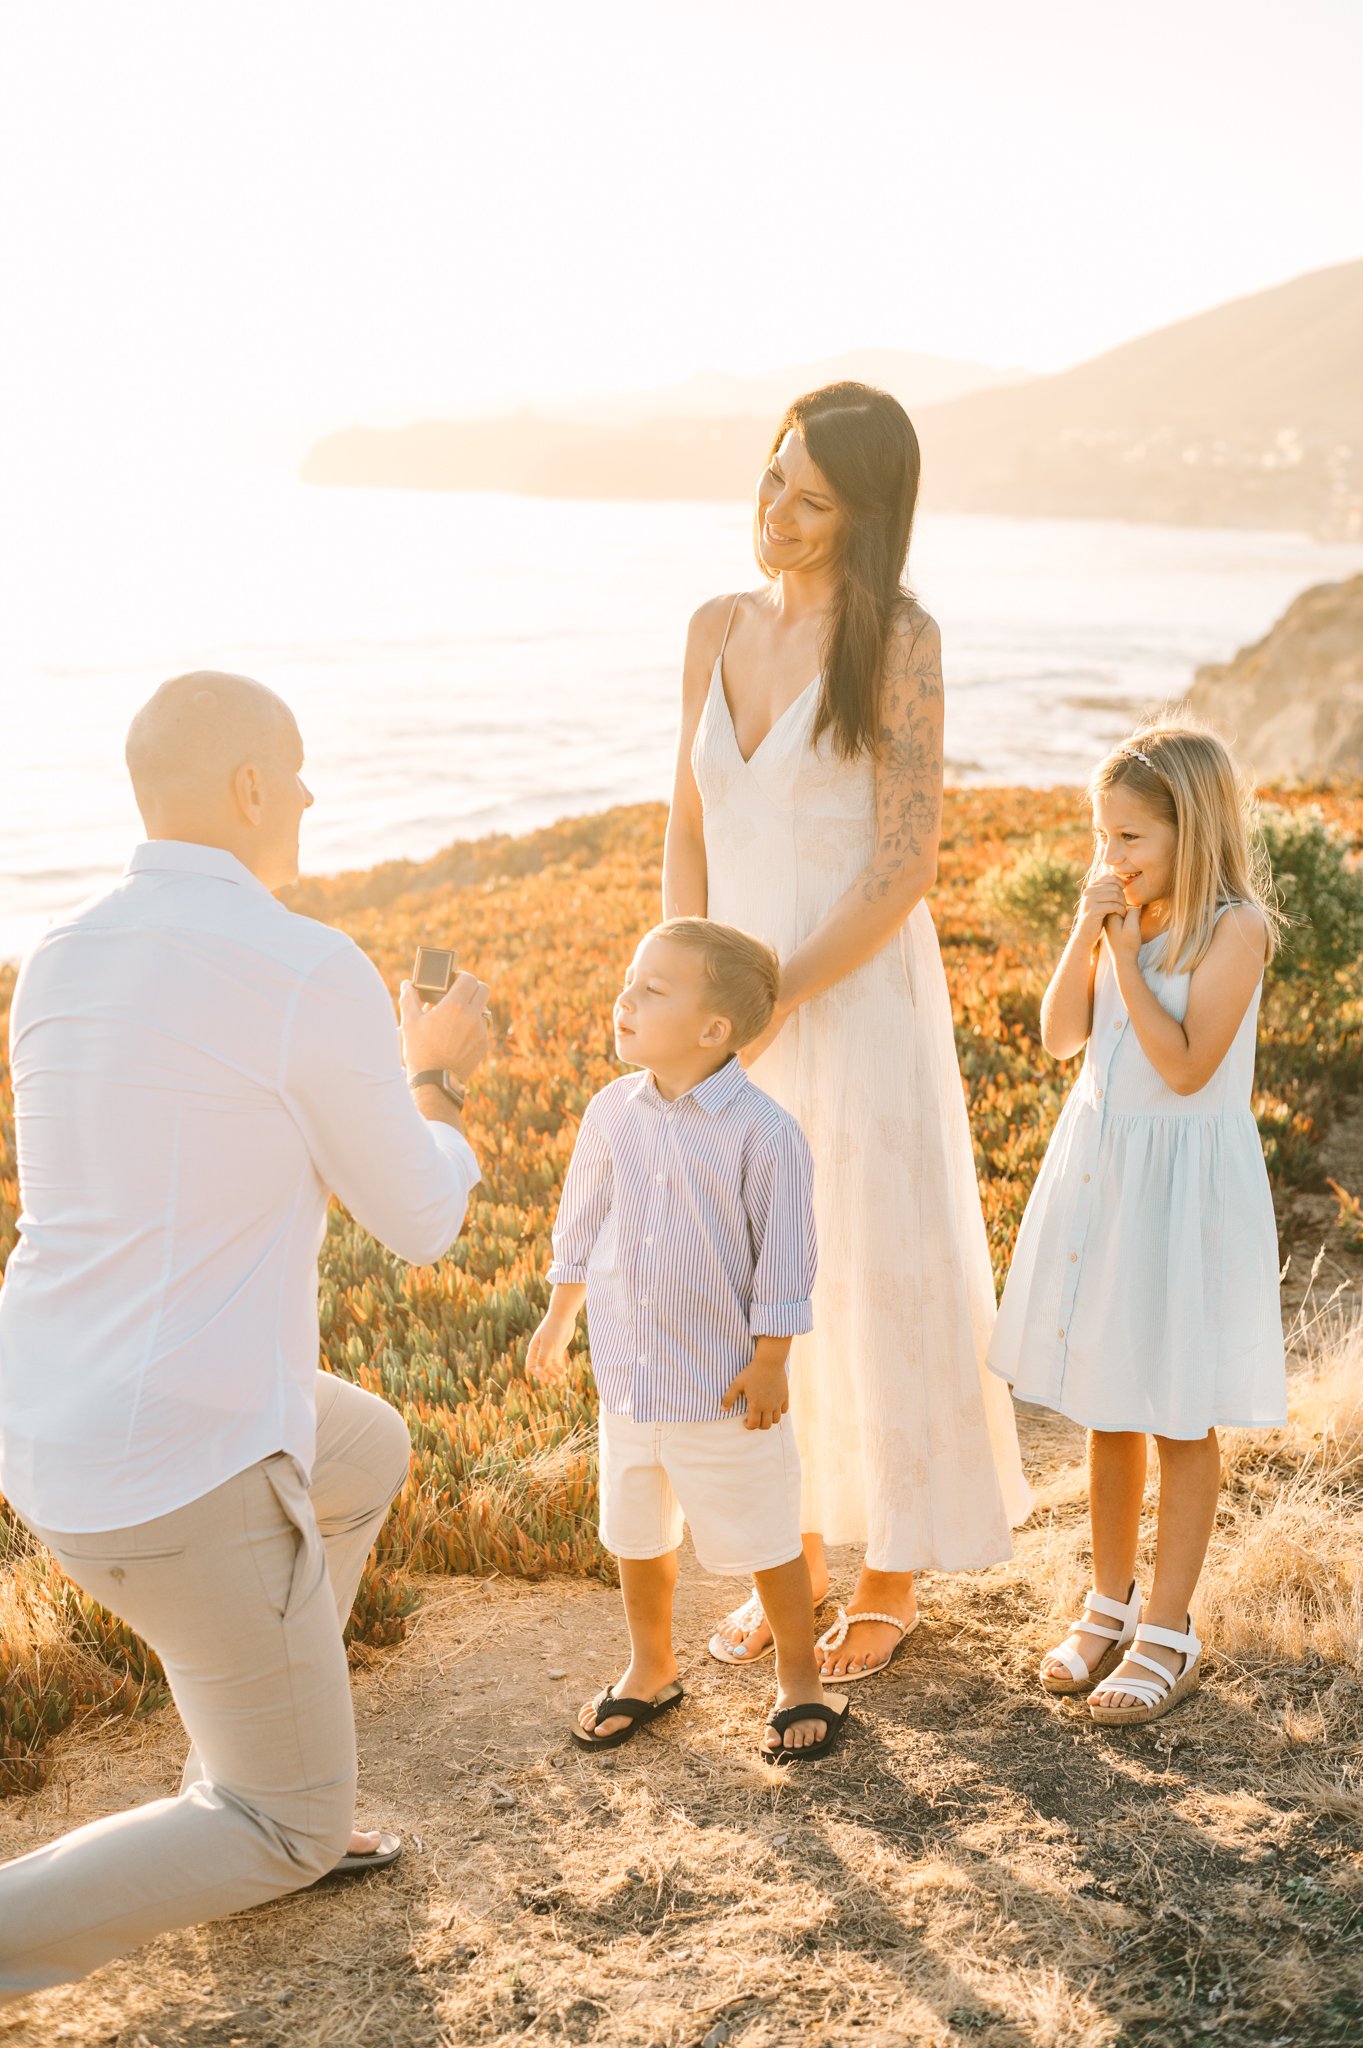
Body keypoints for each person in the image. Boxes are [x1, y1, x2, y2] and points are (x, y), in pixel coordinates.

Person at [0, 671, 490, 2000]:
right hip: (182, 1462)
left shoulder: (59, 954)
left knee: (365, 1447)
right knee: (293, 1828)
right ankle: (261, 1809)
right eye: (300, 771)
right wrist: (433, 1078)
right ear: (253, 790)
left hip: (48, 1421)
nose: (315, 797)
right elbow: (421, 1219)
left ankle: (246, 1750)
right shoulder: (302, 963)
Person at [664, 382, 1031, 1684]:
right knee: (760, 1283)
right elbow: (689, 832)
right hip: (725, 1013)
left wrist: (777, 995)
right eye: (770, 479)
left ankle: (887, 1568)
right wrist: (684, 992)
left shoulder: (899, 641)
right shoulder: (712, 626)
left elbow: (903, 859)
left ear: (865, 516)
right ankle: (794, 1557)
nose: (775, 514)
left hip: (848, 992)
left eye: (809, 501)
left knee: (865, 1268)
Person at [987, 720, 1286, 1725]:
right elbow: (1059, 1036)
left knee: (1175, 1410)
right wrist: (1088, 928)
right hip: (1106, 1172)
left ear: (1190, 833)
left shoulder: (1232, 927)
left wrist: (1122, 953)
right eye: (1100, 837)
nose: (1108, 858)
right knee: (1108, 1402)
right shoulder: (1118, 917)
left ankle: (1168, 1622)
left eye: (1129, 840)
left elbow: (1186, 1063)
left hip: (1183, 1187)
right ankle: (1105, 1599)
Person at [526, 918, 849, 1761]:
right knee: (636, 1534)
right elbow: (582, 1219)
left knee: (766, 1538)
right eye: (629, 982)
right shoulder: (610, 1112)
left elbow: (783, 1256)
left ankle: (799, 1676)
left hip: (720, 1388)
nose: (623, 1001)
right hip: (631, 1382)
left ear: (714, 1030)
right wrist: (560, 1315)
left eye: (651, 991)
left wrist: (770, 1359)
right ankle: (649, 1665)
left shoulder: (762, 1132)